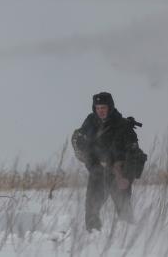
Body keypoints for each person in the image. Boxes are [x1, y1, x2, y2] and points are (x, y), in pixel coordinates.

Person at [71, 92, 147, 232]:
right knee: (92, 208)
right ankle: (93, 236)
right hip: (98, 172)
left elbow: (133, 153)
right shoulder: (91, 121)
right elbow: (79, 141)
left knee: (124, 209)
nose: (101, 111)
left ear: (110, 107)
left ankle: (128, 239)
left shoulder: (123, 125)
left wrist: (126, 177)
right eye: (98, 107)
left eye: (103, 107)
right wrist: (92, 164)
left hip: (119, 173)